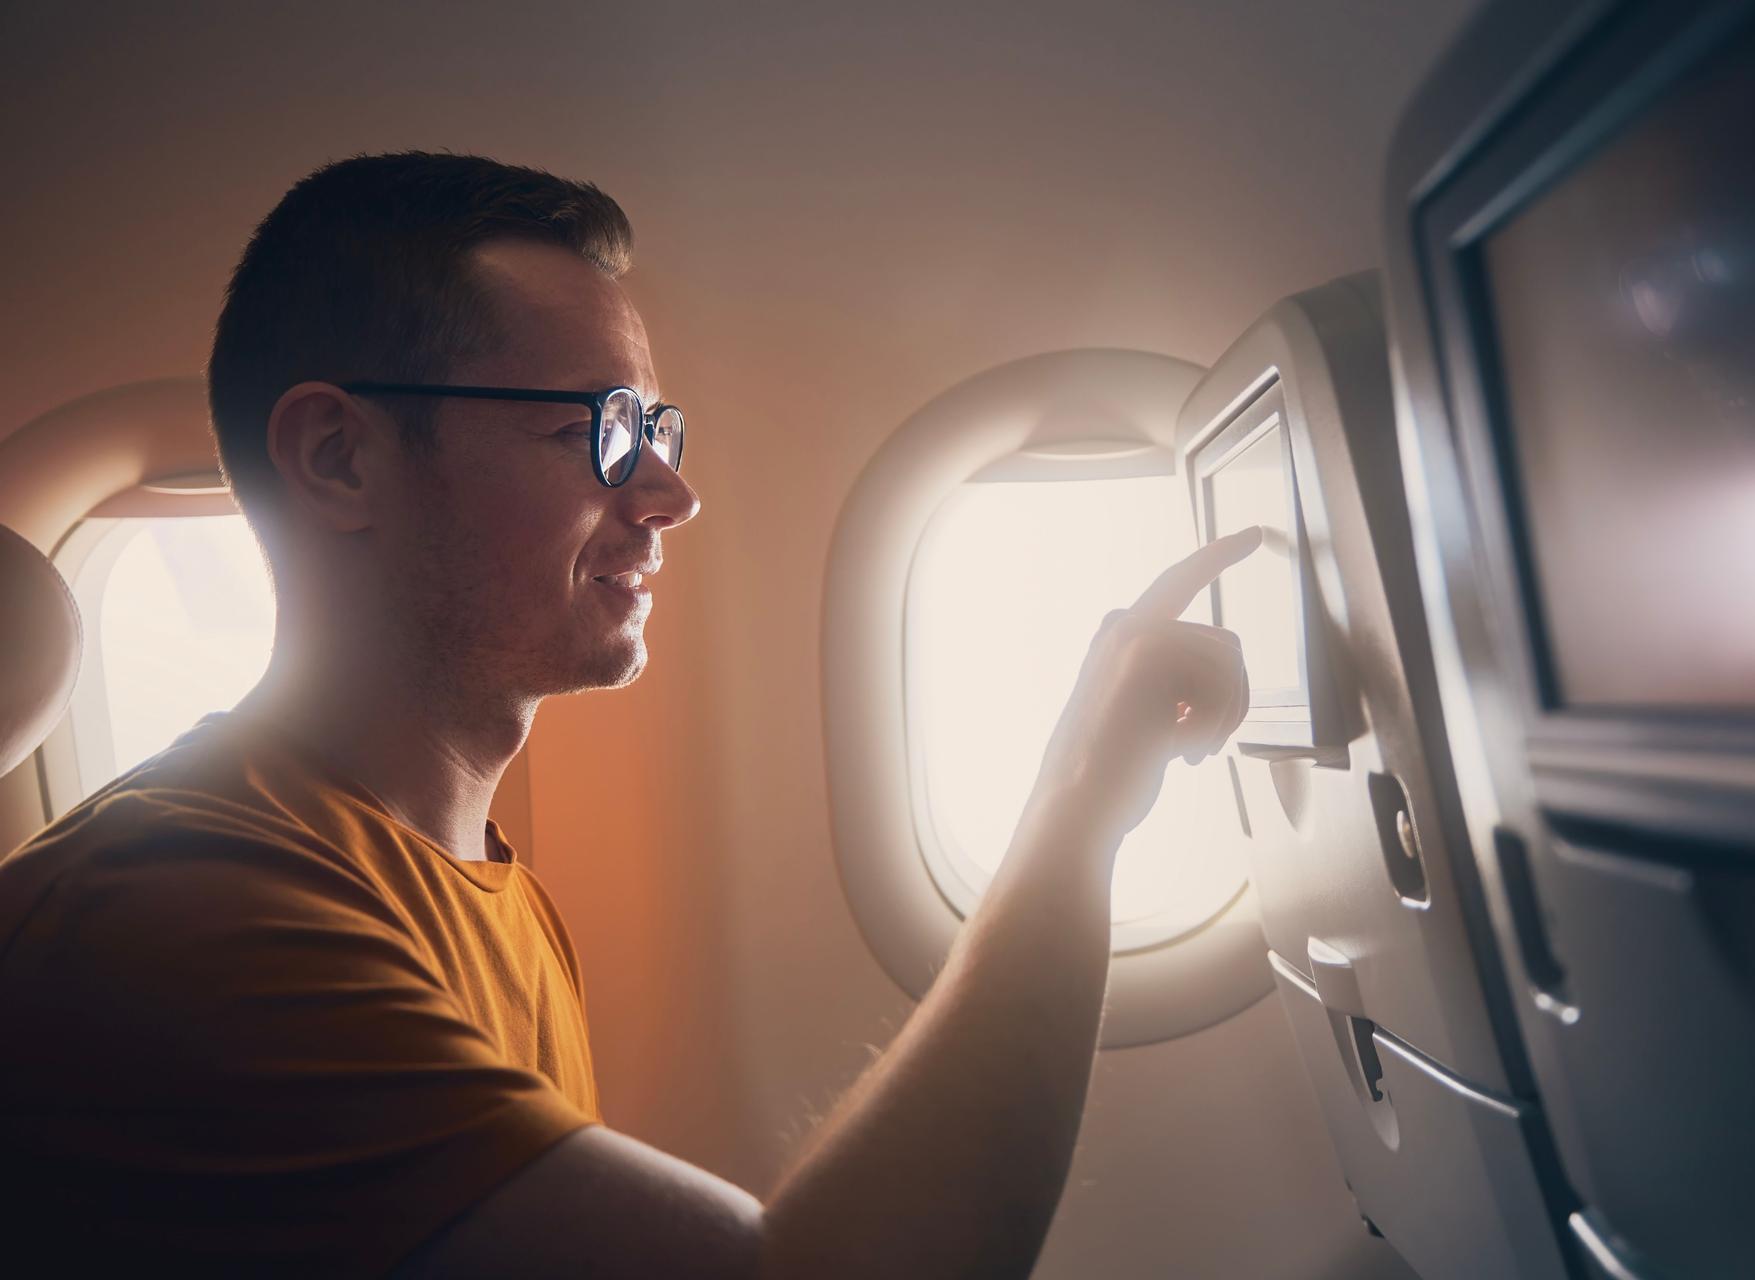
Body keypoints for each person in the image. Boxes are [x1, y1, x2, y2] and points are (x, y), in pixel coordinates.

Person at [0, 151, 1254, 1277]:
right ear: (339, 457)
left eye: (655, 425)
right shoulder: (180, 907)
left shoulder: (485, 888)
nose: (670, 492)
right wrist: (1085, 794)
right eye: (600, 428)